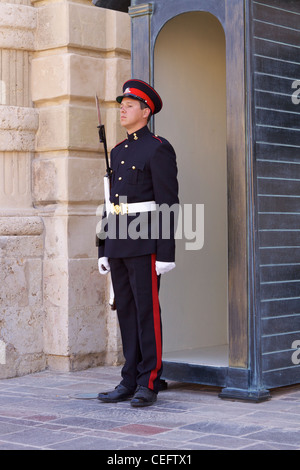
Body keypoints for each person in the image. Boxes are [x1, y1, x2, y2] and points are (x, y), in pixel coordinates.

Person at [97, 79, 179, 407]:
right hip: (118, 241)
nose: (122, 109)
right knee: (126, 312)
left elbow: (167, 203)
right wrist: (103, 247)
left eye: (129, 105)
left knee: (147, 312)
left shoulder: (158, 148)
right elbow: (109, 202)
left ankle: (150, 379)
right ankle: (129, 378)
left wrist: (166, 252)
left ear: (146, 112)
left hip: (145, 242)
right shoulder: (117, 151)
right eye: (121, 105)